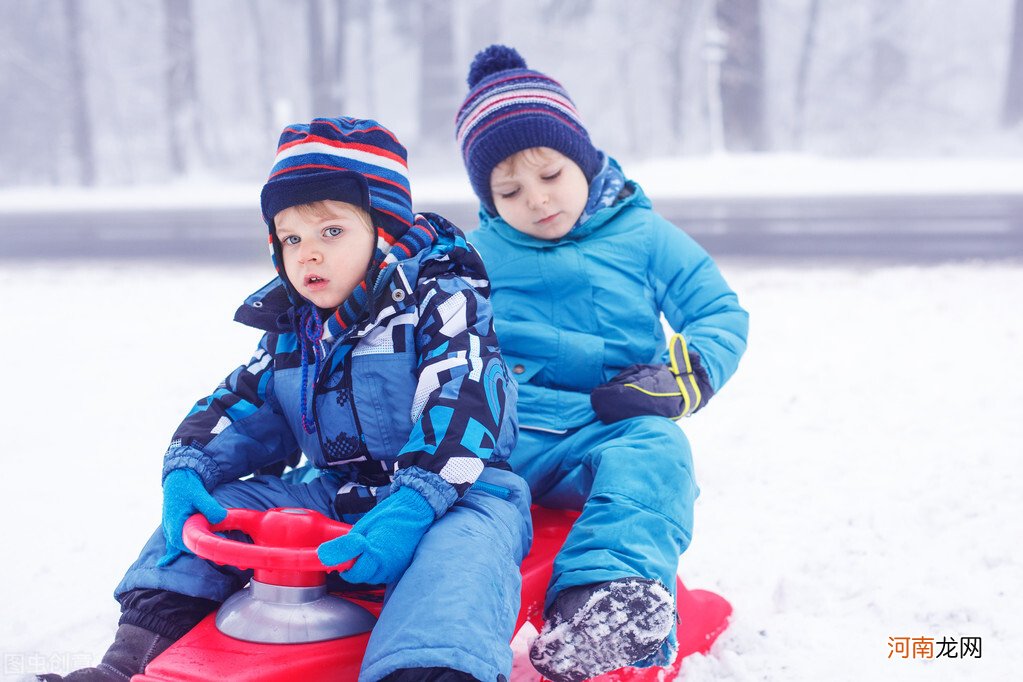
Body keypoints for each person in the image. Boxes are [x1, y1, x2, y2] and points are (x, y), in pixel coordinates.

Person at [41, 117, 530, 682]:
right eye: (292, 239)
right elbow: (247, 403)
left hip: (452, 493)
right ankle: (132, 659)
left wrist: (416, 503)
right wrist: (190, 465)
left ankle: (429, 670)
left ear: (385, 233)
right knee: (217, 505)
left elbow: (465, 400)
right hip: (337, 496)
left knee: (458, 558)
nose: (308, 256)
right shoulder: (294, 328)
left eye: (331, 233)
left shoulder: (442, 306)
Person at [454, 45, 749, 682]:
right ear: (488, 198)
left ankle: (603, 603)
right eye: (509, 190)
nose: (536, 199)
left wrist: (678, 381)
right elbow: (434, 333)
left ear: (583, 158)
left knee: (657, 454)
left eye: (551, 174)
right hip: (507, 432)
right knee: (442, 483)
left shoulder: (642, 235)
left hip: (606, 422)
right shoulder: (475, 255)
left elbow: (719, 312)